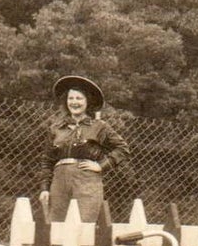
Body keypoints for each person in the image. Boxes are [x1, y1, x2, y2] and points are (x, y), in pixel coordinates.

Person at [39, 75, 130, 223]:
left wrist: (101, 166)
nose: (74, 102)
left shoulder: (99, 127)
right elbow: (47, 160)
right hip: (59, 183)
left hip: (87, 182)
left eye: (79, 98)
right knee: (56, 229)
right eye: (71, 98)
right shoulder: (55, 128)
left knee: (85, 229)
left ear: (88, 102)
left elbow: (122, 148)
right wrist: (45, 188)